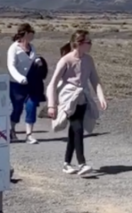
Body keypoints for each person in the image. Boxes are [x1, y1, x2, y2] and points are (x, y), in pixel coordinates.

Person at [46, 30, 107, 176]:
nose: (91, 44)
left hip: (83, 98)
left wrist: (101, 97)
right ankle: (82, 163)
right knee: (78, 128)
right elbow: (52, 84)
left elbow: (95, 80)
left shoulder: (88, 60)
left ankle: (66, 164)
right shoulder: (66, 60)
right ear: (79, 44)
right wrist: (51, 105)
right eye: (88, 42)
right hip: (68, 100)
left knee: (74, 131)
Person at [7, 23, 41, 144]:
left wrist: (37, 61)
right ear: (26, 33)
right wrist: (19, 78)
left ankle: (29, 134)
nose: (33, 36)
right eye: (31, 33)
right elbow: (11, 66)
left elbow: (33, 58)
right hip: (16, 84)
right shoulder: (14, 48)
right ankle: (11, 129)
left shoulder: (32, 47)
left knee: (31, 106)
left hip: (31, 82)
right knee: (17, 108)